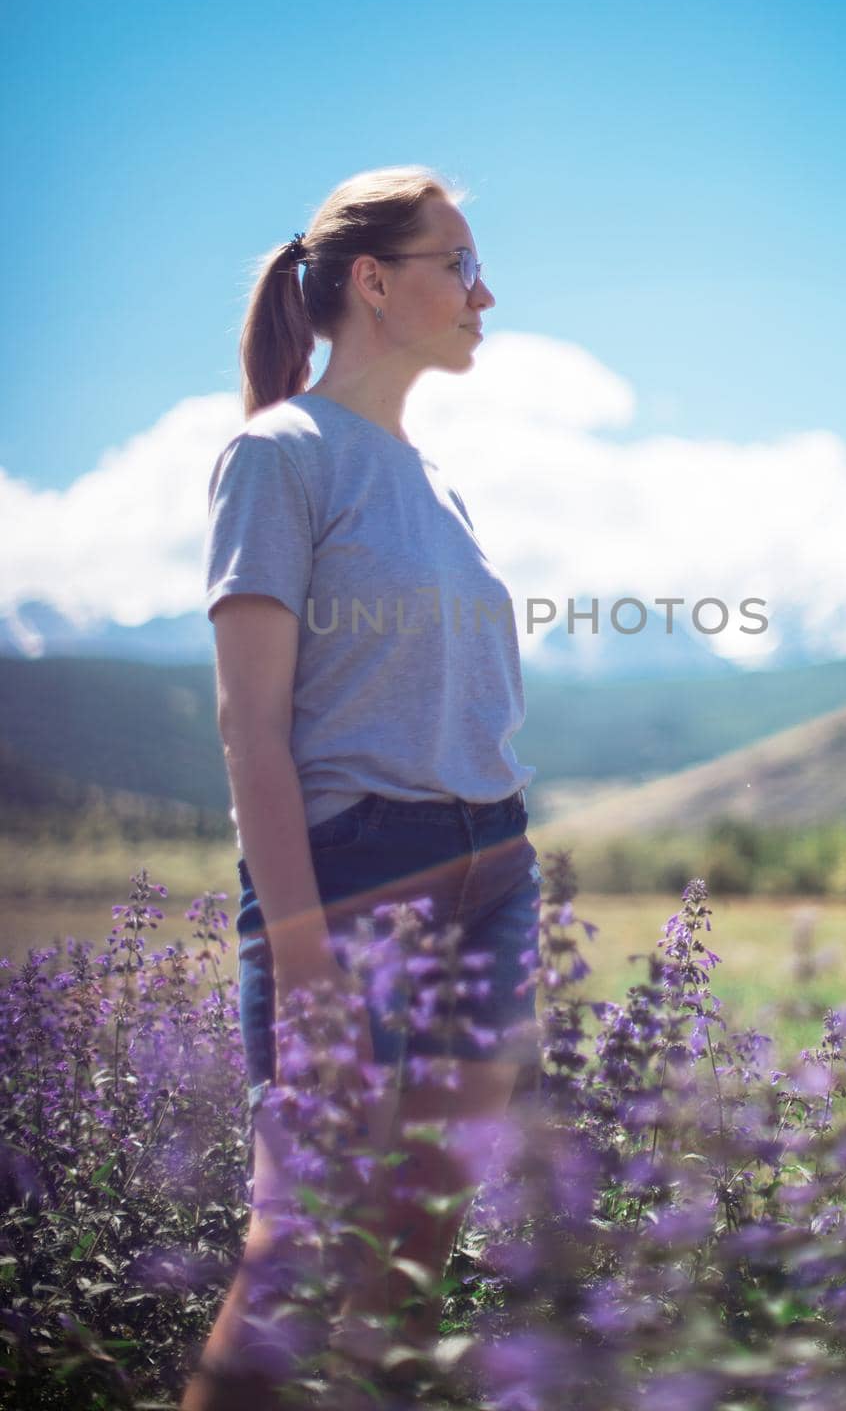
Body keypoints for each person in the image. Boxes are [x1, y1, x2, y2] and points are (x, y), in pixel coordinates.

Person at [181, 165, 541, 1410]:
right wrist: (305, 959)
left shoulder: (437, 482)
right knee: (298, 1248)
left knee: (414, 1251)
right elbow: (251, 729)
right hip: (352, 875)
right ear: (375, 283)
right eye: (460, 263)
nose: (485, 293)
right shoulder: (279, 455)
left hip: (494, 866)